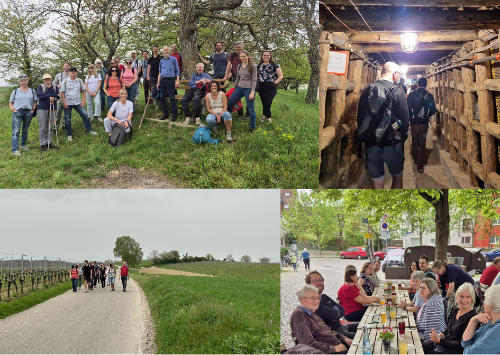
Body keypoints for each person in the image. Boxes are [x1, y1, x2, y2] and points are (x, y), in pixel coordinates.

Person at [356, 61, 409, 189]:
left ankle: (379, 205)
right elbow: (404, 120)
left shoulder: (367, 90)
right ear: (395, 74)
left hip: (372, 143)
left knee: (377, 181)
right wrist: (402, 137)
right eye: (399, 75)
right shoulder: (398, 92)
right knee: (397, 176)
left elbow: (360, 116)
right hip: (392, 143)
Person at [289, 284, 352, 355]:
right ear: (301, 299)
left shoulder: (312, 312)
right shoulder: (298, 316)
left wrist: (345, 339)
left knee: (361, 343)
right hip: (326, 352)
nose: (317, 301)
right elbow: (307, 344)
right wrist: (334, 349)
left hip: (337, 345)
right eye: (312, 298)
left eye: (318, 298)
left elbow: (328, 331)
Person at [422, 283, 478, 355]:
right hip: (444, 345)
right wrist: (438, 336)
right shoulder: (455, 310)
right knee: (421, 345)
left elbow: (462, 345)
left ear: (472, 299)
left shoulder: (473, 317)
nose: (464, 300)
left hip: (455, 351)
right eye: (461, 296)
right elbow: (448, 331)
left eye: (468, 297)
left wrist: (440, 341)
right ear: (457, 297)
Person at [306, 271, 359, 339]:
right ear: (308, 285)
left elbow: (342, 310)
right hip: (333, 334)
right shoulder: (314, 303)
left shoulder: (324, 296)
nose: (319, 283)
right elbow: (335, 314)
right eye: (315, 281)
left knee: (363, 326)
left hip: (340, 326)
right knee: (360, 338)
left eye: (320, 280)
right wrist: (334, 311)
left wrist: (334, 313)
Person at [407, 77, 437, 173]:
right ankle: (420, 166)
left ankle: (415, 159)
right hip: (424, 123)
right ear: (426, 85)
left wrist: (411, 117)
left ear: (417, 84)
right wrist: (426, 115)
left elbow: (407, 108)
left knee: (414, 141)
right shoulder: (429, 96)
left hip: (414, 123)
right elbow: (433, 110)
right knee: (423, 143)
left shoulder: (412, 95)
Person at [60, 67, 98, 141]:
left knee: (85, 115)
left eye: (75, 71)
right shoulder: (65, 81)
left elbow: (84, 90)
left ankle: (89, 130)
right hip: (68, 102)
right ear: (69, 72)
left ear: (76, 72)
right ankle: (69, 134)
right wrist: (64, 102)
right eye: (72, 71)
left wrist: (83, 100)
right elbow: (62, 92)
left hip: (77, 102)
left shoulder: (79, 81)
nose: (73, 72)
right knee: (67, 119)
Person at [461, 285, 500, 354]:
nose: (483, 305)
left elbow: (470, 353)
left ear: (491, 304)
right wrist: (472, 321)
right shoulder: (489, 322)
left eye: (485, 300)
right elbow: (465, 343)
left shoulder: (498, 329)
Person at [227, 50, 258, 133]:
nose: (242, 58)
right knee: (229, 102)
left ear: (248, 56)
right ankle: (227, 121)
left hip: (249, 89)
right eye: (241, 56)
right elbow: (237, 78)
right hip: (239, 88)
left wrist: (252, 91)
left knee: (251, 108)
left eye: (244, 56)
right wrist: (233, 89)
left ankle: (252, 127)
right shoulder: (239, 66)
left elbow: (254, 79)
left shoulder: (253, 66)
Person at [9, 74, 37, 156]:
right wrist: (14, 110)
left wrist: (33, 110)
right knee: (16, 131)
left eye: (25, 81)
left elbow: (35, 102)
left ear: (27, 81)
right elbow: (11, 103)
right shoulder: (15, 91)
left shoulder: (32, 91)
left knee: (25, 130)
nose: (24, 82)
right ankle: (15, 150)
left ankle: (23, 145)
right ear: (19, 82)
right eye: (22, 81)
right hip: (18, 112)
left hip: (28, 112)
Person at [257, 50, 283, 123]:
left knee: (268, 102)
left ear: (270, 56)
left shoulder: (275, 65)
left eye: (267, 55)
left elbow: (280, 76)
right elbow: (256, 76)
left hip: (271, 86)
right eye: (264, 55)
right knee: (264, 102)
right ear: (262, 57)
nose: (266, 57)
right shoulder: (259, 66)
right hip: (261, 86)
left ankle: (263, 116)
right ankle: (269, 118)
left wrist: (275, 83)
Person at [225, 41, 249, 119]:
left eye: (240, 47)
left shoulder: (246, 55)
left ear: (242, 47)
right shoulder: (233, 55)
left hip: (247, 79)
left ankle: (248, 115)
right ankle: (240, 114)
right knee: (236, 96)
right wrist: (226, 75)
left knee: (248, 97)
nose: (238, 48)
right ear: (235, 48)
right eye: (237, 47)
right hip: (236, 78)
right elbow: (229, 65)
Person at [36, 73, 60, 151]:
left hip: (52, 108)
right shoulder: (40, 87)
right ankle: (42, 144)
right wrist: (52, 96)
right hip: (42, 109)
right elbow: (40, 96)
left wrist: (54, 98)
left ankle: (49, 143)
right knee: (43, 127)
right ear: (43, 80)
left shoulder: (55, 87)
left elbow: (58, 96)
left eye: (49, 78)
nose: (47, 80)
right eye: (46, 79)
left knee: (50, 127)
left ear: (51, 79)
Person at [157, 45, 180, 121]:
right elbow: (159, 72)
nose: (166, 51)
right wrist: (158, 82)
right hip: (162, 81)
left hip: (171, 80)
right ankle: (165, 113)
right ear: (163, 52)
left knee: (172, 97)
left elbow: (177, 70)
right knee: (162, 97)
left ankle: (174, 114)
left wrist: (177, 80)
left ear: (169, 51)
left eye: (167, 50)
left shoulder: (173, 59)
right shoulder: (161, 61)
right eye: (164, 50)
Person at [53, 62, 71, 130]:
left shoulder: (71, 75)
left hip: (68, 96)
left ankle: (64, 126)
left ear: (69, 67)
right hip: (60, 96)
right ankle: (55, 127)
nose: (67, 67)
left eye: (68, 66)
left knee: (66, 113)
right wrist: (58, 86)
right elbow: (53, 84)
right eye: (65, 66)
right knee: (58, 112)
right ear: (63, 67)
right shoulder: (59, 75)